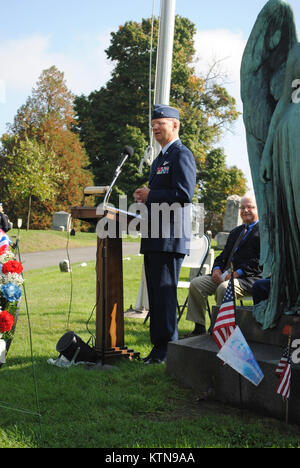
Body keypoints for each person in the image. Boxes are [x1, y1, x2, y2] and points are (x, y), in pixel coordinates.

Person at [134, 104, 196, 364]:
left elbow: (184, 194)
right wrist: (144, 199)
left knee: (165, 297)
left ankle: (168, 350)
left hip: (169, 239)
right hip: (154, 237)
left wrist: (152, 195)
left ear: (175, 125)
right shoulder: (159, 158)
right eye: (153, 125)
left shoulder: (181, 154)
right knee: (156, 298)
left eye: (161, 123)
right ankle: (158, 349)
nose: (155, 128)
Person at [186, 194, 262, 335]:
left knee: (224, 288)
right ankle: (199, 327)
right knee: (196, 284)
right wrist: (216, 269)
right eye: (242, 207)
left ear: (258, 209)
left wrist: (237, 274)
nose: (245, 210)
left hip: (248, 278)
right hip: (225, 274)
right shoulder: (236, 232)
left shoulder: (264, 232)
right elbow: (223, 255)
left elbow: (260, 261)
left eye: (250, 207)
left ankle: (219, 328)